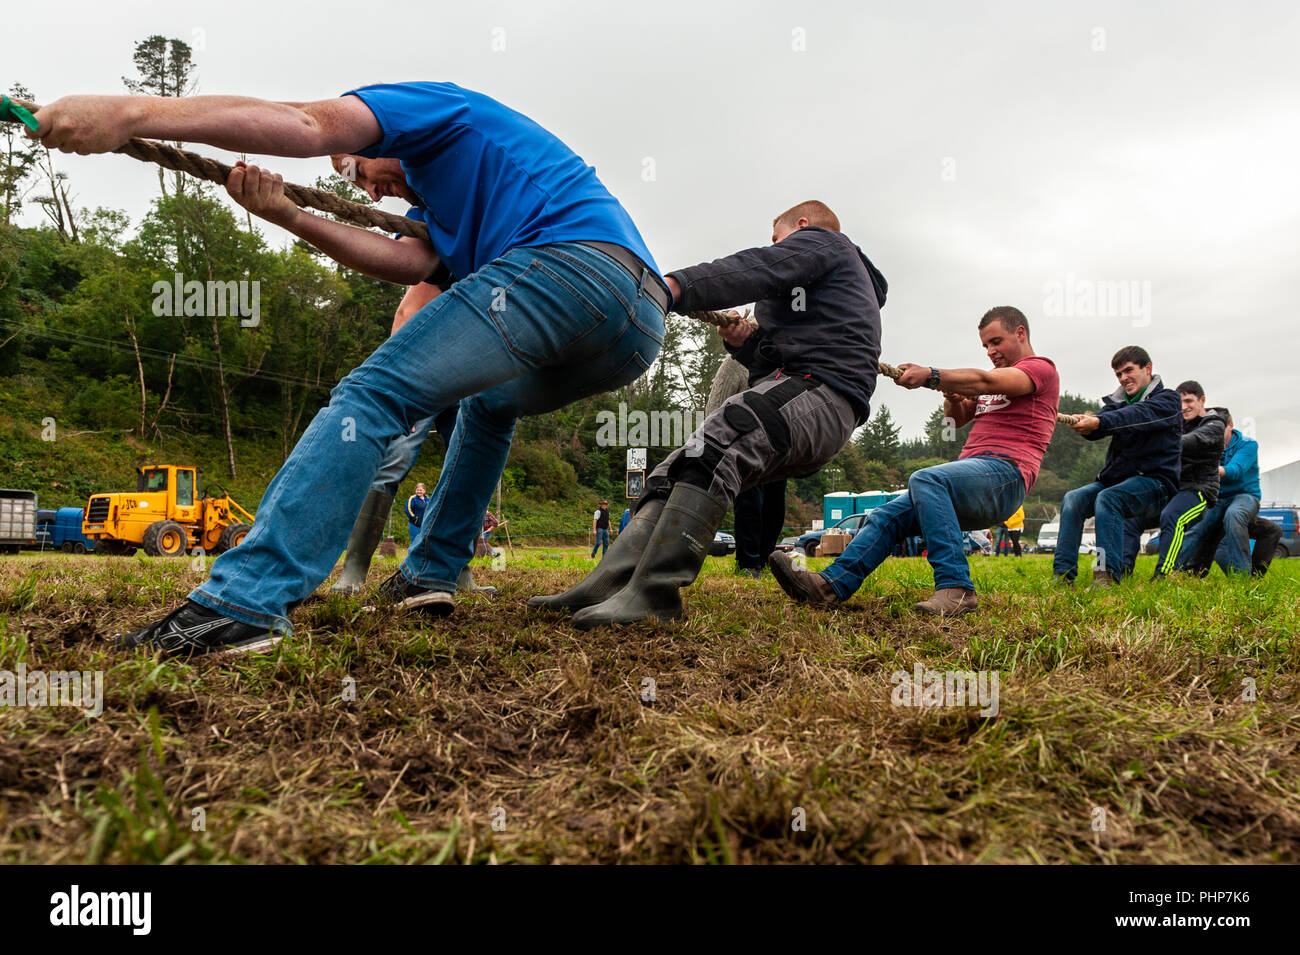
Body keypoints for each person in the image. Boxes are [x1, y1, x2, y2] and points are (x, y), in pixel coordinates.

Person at [35, 81, 668, 654]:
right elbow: (405, 264)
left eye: (356, 167)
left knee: (372, 394)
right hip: (635, 323)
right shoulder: (443, 214)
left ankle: (245, 602)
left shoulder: (430, 108)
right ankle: (430, 573)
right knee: (488, 406)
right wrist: (288, 216)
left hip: (566, 267)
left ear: (377, 134)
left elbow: (305, 125)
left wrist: (128, 113)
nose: (365, 188)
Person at [529, 200, 887, 627]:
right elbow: (772, 362)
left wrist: (674, 286)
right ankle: (610, 582)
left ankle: (655, 595)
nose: (773, 246)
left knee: (719, 441)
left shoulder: (826, 244)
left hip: (822, 394)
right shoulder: (817, 297)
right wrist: (744, 343)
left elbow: (758, 267)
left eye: (777, 238)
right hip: (798, 393)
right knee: (679, 465)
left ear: (803, 227)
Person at [768, 305, 1058, 616]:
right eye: (986, 345)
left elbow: (985, 382)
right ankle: (829, 586)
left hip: (1005, 477)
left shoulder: (1040, 369)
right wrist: (951, 397)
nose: (990, 351)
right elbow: (954, 423)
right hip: (973, 480)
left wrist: (932, 375)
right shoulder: (989, 386)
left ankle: (957, 587)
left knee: (926, 478)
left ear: (1020, 333)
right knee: (885, 516)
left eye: (996, 342)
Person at [1051, 346, 1182, 587]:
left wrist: (1100, 421)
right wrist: (1086, 425)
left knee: (1108, 498)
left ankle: (1106, 576)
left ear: (1148, 368)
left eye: (1128, 370)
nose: (1123, 378)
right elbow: (1102, 427)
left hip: (1156, 484)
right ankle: (1062, 575)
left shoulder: (1169, 401)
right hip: (1117, 482)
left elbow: (1136, 416)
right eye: (1118, 374)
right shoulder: (1116, 404)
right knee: (1073, 499)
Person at [1120, 381, 1225, 579]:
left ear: (1202, 400)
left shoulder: (1214, 425)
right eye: (1180, 402)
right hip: (1171, 491)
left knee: (1172, 516)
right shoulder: (1175, 425)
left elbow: (1192, 440)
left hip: (1199, 492)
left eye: (1189, 401)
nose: (1184, 407)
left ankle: (1164, 576)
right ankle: (1123, 572)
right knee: (1131, 519)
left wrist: (1161, 444)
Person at [1176, 408, 1261, 576]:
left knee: (1234, 515)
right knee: (1196, 524)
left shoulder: (1248, 444)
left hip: (1244, 496)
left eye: (1218, 429)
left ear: (1230, 425)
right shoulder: (1204, 443)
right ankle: (1172, 571)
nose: (1214, 434)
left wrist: (1207, 470)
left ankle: (1242, 577)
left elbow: (1236, 470)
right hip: (1216, 498)